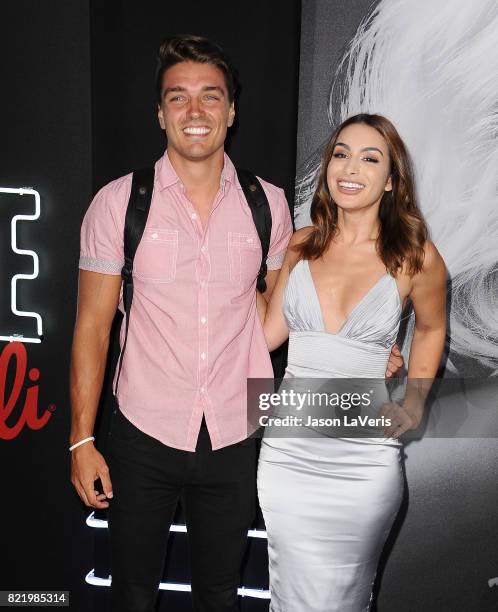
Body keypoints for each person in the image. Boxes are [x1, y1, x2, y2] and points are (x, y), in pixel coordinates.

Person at [69, 34, 293, 612]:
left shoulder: (269, 205)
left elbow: (281, 315)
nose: (195, 112)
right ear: (160, 112)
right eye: (179, 98)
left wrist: (363, 352)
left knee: (220, 595)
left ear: (232, 110)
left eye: (210, 97)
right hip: (143, 432)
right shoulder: (119, 203)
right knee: (134, 594)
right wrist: (82, 438)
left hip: (238, 430)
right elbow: (93, 329)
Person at [256, 114, 446, 611]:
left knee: (343, 598)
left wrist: (417, 401)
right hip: (288, 457)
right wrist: (232, 275)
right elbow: (267, 334)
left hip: (363, 463)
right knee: (290, 595)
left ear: (391, 180)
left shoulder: (414, 256)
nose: (350, 168)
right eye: (341, 153)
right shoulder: (300, 244)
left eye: (370, 158)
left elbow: (431, 327)